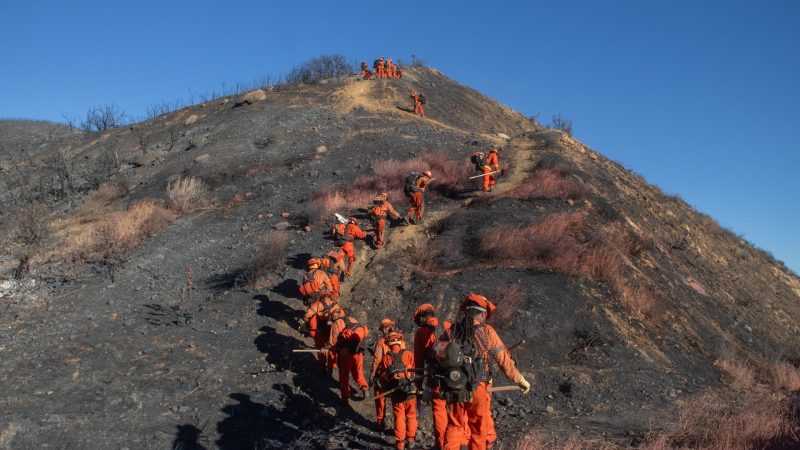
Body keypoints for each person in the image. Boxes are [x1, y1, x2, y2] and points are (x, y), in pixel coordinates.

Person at [436, 294, 531, 450]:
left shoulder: (451, 331)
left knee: (455, 426)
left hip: (454, 385)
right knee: (478, 429)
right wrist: (519, 379)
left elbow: (436, 353)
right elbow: (503, 360)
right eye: (485, 315)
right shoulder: (487, 332)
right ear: (480, 313)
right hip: (478, 386)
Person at [413, 304, 450, 450]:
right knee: (456, 410)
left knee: (439, 409)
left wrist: (418, 385)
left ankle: (441, 445)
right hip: (455, 376)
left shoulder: (421, 332)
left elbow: (419, 362)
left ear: (421, 317)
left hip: (436, 377)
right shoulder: (446, 326)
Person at [378, 331, 417, 450]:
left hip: (396, 393)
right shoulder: (409, 354)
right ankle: (410, 439)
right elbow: (415, 371)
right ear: (400, 342)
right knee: (411, 415)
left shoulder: (386, 357)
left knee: (399, 416)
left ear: (389, 344)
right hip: (410, 391)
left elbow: (383, 375)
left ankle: (400, 444)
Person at [328, 308, 370, 405]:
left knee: (344, 375)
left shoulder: (336, 324)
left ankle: (345, 397)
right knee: (358, 373)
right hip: (358, 351)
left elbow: (333, 343)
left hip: (346, 354)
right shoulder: (353, 319)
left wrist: (330, 349)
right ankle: (365, 390)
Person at [370, 319, 403, 431]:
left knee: (379, 394)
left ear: (384, 328)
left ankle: (380, 421)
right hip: (399, 375)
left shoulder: (381, 342)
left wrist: (372, 375)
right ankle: (401, 429)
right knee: (399, 403)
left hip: (385, 375)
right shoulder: (401, 340)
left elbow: (377, 360)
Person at [302, 291, 340, 371]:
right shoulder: (336, 306)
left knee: (320, 346)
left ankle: (322, 363)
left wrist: (305, 319)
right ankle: (331, 365)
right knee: (332, 346)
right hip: (332, 330)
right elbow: (342, 317)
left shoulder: (318, 304)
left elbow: (310, 312)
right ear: (331, 297)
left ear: (322, 297)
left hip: (320, 328)